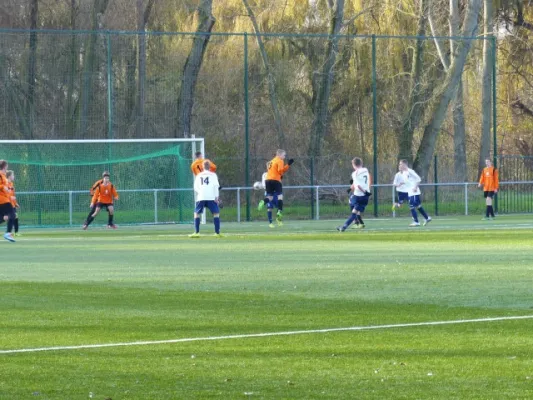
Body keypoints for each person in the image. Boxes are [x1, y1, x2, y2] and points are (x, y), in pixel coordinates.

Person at [258, 149, 294, 226]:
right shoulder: (280, 160)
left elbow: (272, 170)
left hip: (268, 181)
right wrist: (288, 165)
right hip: (275, 180)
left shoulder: (271, 161)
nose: (284, 157)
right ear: (280, 155)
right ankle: (279, 212)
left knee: (270, 197)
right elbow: (280, 171)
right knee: (280, 197)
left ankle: (263, 202)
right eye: (284, 155)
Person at [337, 157, 371, 231]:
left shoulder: (355, 173)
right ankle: (358, 222)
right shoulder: (365, 170)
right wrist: (350, 188)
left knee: (354, 213)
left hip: (360, 196)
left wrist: (364, 191)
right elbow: (356, 183)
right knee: (351, 201)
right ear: (361, 163)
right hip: (363, 196)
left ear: (353, 165)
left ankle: (344, 227)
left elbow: (358, 186)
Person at [189, 160, 222, 238]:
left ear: (202, 167)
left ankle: (197, 232)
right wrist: (216, 197)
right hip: (211, 197)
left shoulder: (199, 175)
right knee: (216, 213)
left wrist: (200, 192)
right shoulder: (213, 175)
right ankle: (217, 233)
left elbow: (195, 188)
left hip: (201, 197)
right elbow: (216, 187)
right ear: (210, 167)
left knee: (196, 213)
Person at [398, 160, 432, 227]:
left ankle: (416, 222)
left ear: (404, 165)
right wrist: (401, 183)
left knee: (411, 206)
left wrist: (415, 187)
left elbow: (418, 179)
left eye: (400, 164)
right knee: (418, 206)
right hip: (410, 192)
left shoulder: (410, 171)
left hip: (414, 192)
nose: (399, 165)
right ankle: (427, 218)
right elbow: (408, 181)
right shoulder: (404, 173)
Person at [0, 160, 16, 242]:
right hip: (2, 199)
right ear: (5, 166)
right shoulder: (0, 174)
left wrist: (8, 191)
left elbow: (6, 186)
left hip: (4, 198)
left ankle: (8, 233)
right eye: (7, 165)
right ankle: (8, 233)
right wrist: (3, 187)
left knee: (2, 218)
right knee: (12, 214)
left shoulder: (4, 175)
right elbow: (1, 186)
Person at [6, 170, 20, 236]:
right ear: (9, 176)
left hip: (13, 204)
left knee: (15, 217)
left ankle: (16, 232)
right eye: (13, 175)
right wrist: (10, 198)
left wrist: (15, 203)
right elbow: (5, 194)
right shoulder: (6, 184)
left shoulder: (11, 184)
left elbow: (13, 194)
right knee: (11, 218)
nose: (14, 176)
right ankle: (8, 233)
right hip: (8, 204)